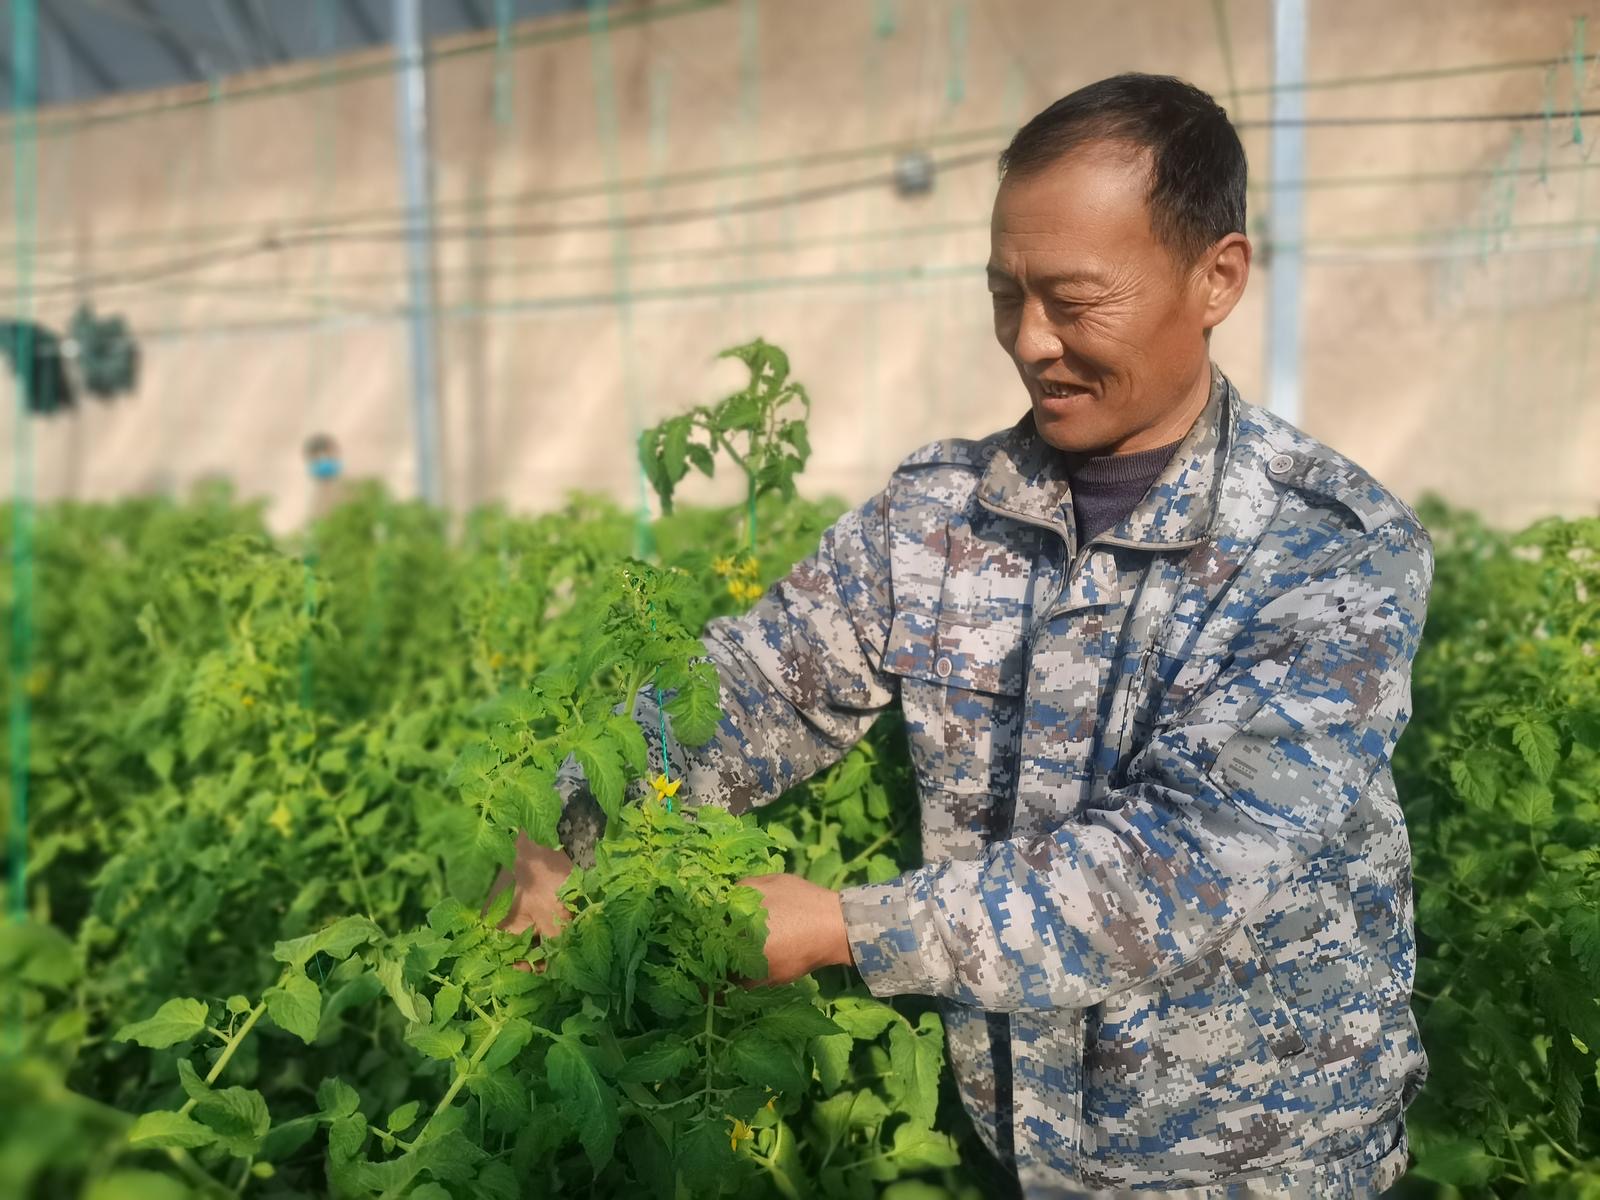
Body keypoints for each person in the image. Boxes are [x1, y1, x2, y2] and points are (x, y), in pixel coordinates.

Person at [504, 74, 1431, 1197]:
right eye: (1006, 295)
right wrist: (571, 822)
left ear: (1215, 276)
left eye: (1076, 300)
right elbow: (757, 688)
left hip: (1248, 1161)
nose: (1032, 342)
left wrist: (847, 926)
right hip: (1014, 1141)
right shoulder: (943, 513)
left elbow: (1175, 866)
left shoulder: (1325, 550)